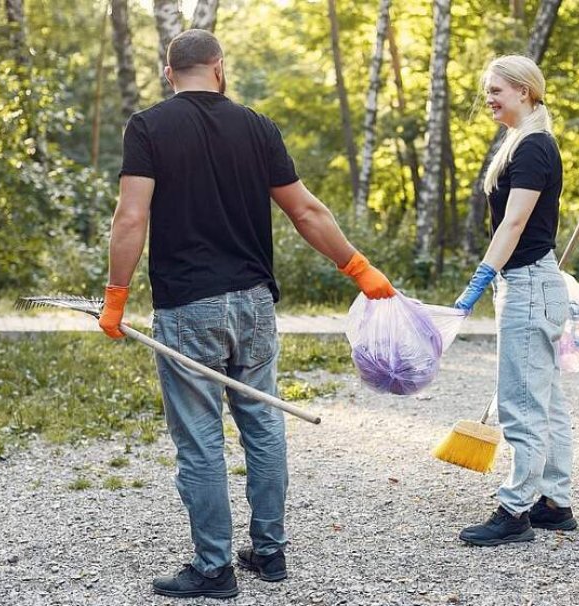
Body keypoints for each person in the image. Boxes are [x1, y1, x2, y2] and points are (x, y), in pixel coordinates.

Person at [98, 29, 395, 599]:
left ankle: (214, 569)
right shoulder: (258, 126)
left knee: (200, 439)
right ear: (219, 67)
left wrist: (116, 295)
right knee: (262, 424)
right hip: (254, 303)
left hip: (189, 305)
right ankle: (270, 551)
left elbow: (130, 218)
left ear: (169, 74)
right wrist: (357, 267)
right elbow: (306, 211)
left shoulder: (148, 127)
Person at [453, 55, 575, 546]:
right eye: (487, 90)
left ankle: (515, 509)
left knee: (520, 404)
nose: (488, 98)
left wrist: (480, 277)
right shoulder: (524, 142)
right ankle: (555, 502)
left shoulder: (533, 147)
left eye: (496, 90)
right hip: (532, 282)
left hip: (527, 285)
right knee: (546, 400)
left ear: (524, 91)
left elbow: (515, 222)